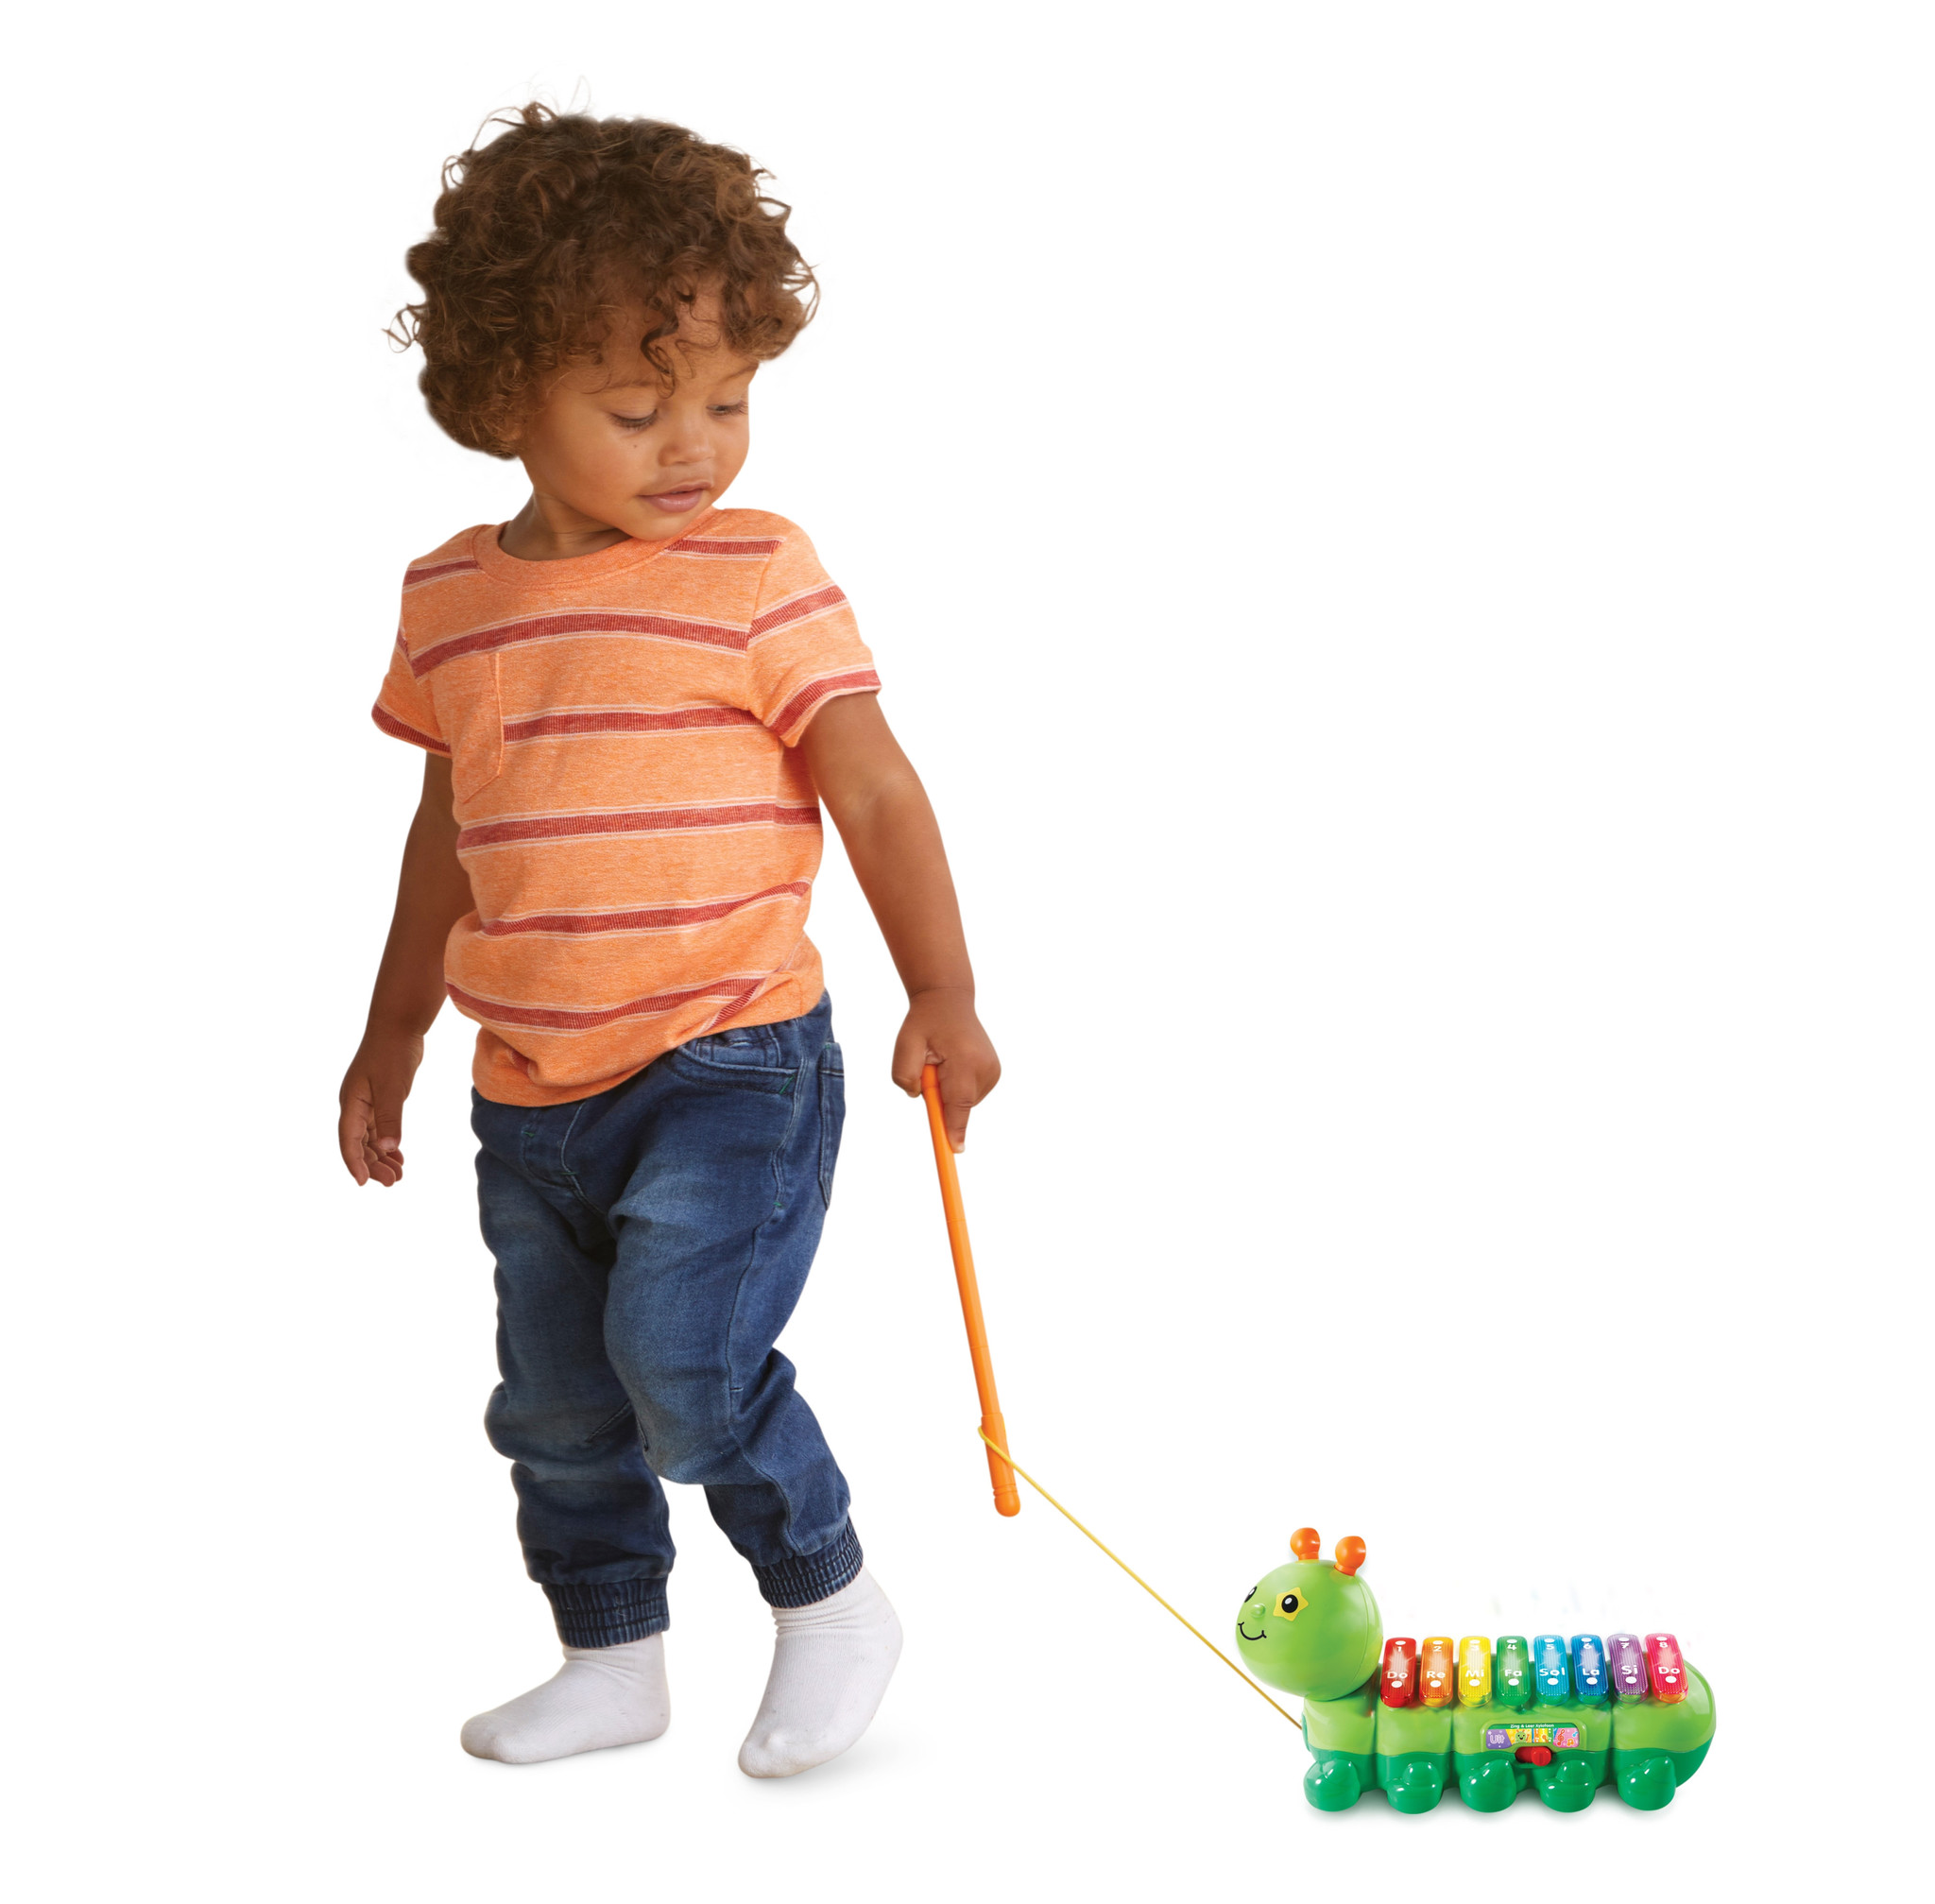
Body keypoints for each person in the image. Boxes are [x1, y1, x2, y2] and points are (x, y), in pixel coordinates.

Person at [336, 104, 1000, 1778]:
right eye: (638, 411)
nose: (694, 445)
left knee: (683, 1363)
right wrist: (391, 1035)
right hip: (529, 1086)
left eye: (728, 399)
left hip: (730, 1058)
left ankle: (831, 1599)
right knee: (558, 1403)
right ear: (503, 397)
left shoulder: (759, 572)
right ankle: (611, 1656)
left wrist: (943, 988)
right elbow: (449, 834)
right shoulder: (449, 601)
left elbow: (874, 782)